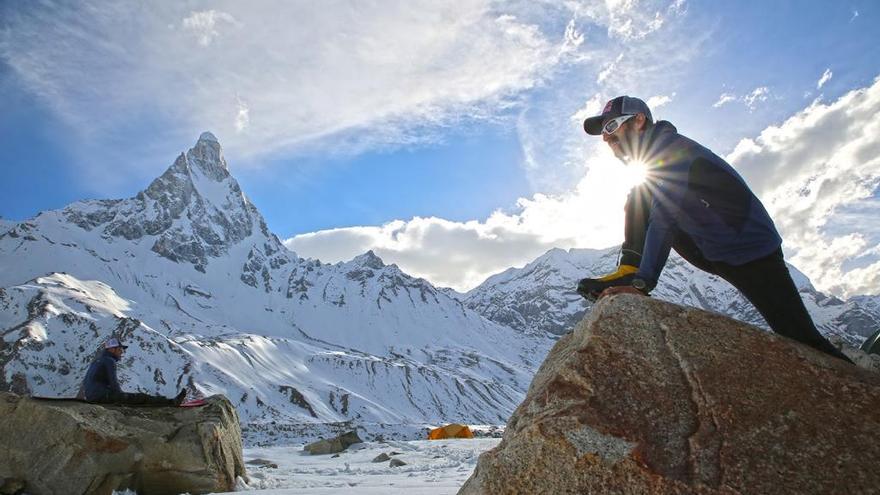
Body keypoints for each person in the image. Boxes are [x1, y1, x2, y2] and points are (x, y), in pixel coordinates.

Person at [576, 95, 853, 364]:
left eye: (611, 126)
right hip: (714, 248)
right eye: (603, 132)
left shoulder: (670, 150)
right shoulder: (651, 158)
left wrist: (643, 284)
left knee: (800, 337)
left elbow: (665, 217)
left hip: (752, 252)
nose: (606, 137)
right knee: (639, 194)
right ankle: (629, 269)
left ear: (638, 121)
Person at [82, 338, 187, 405]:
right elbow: (114, 383)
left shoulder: (98, 360)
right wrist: (121, 397)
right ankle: (171, 403)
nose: (121, 353)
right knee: (141, 398)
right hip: (101, 397)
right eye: (120, 350)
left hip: (92, 396)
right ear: (112, 350)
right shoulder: (109, 361)